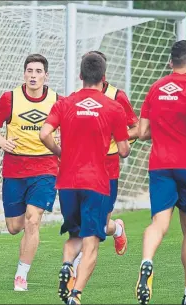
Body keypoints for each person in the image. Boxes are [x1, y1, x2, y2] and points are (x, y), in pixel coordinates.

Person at [40, 53, 130, 304]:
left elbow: (44, 134)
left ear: (80, 76)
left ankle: (67, 264)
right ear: (104, 78)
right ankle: (76, 294)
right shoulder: (114, 107)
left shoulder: (64, 104)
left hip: (67, 181)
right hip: (97, 182)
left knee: (74, 236)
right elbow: (123, 150)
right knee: (91, 241)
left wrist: (61, 152)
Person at [135, 40, 186, 305]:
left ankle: (147, 261)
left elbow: (143, 132)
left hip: (160, 165)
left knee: (159, 223)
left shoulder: (155, 89)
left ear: (170, 63)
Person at [0, 54, 61, 291]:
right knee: (14, 227)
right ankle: (23, 257)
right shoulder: (10, 99)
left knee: (33, 219)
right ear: (24, 74)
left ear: (46, 76)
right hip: (14, 169)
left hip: (46, 168)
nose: (33, 75)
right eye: (29, 70)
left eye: (38, 71)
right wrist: (2, 142)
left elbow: (72, 126)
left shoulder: (58, 101)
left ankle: (21, 275)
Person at [71, 50, 139, 276]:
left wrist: (118, 137)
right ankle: (74, 269)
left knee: (99, 226)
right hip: (80, 168)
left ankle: (116, 228)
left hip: (107, 169)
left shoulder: (117, 97)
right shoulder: (76, 98)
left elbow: (136, 128)